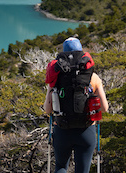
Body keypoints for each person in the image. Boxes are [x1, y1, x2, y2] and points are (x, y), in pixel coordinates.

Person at [43, 37, 109, 173]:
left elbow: (47, 109)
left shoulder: (55, 77)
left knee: (61, 167)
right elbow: (104, 108)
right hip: (86, 130)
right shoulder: (93, 77)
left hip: (62, 129)